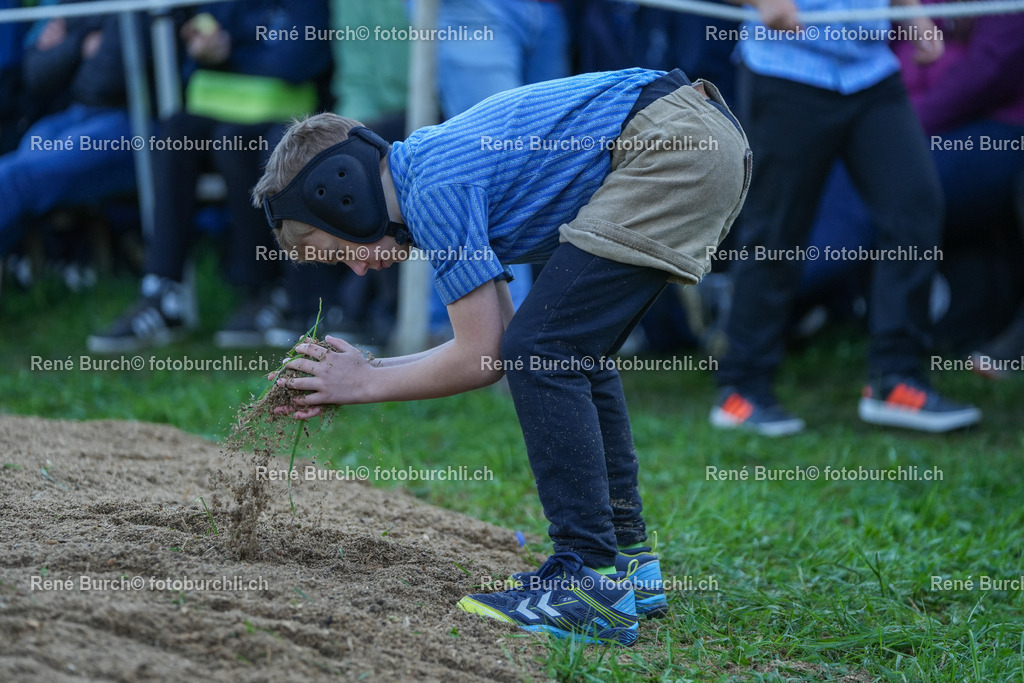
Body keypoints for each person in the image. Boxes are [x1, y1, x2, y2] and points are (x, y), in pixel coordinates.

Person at [252, 68, 751, 644]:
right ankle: (625, 562)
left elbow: (482, 359)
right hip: (690, 137)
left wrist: (362, 383)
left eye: (337, 251)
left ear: (340, 194)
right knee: (564, 352)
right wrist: (364, 370)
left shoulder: (433, 188)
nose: (358, 269)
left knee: (546, 351)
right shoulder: (432, 175)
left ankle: (587, 581)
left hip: (669, 146)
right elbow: (496, 346)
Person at [710, 0, 981, 435]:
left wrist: (910, 12)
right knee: (776, 231)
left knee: (915, 210)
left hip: (872, 72)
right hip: (786, 69)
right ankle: (742, 389)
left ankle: (897, 380)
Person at [87, 1, 332, 352]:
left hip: (286, 123)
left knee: (234, 141)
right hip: (227, 114)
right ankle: (162, 291)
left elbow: (295, 62)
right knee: (174, 129)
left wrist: (229, 52)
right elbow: (189, 70)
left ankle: (260, 289)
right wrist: (205, 51)